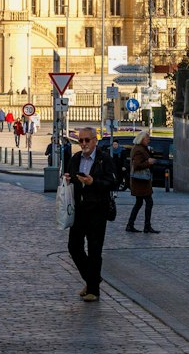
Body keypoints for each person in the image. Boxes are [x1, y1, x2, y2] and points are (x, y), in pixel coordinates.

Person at [63, 125, 117, 301]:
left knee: (94, 250)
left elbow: (113, 182)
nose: (83, 143)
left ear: (95, 140)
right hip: (79, 210)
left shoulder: (104, 159)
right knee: (74, 246)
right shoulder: (75, 158)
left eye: (87, 140)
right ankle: (92, 279)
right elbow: (69, 176)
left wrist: (93, 182)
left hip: (97, 210)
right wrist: (68, 179)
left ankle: (93, 290)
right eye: (81, 140)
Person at [126, 127, 158, 234]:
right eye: (147, 138)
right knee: (148, 202)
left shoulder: (140, 148)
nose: (149, 140)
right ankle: (146, 226)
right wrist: (149, 162)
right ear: (142, 139)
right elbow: (137, 165)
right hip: (140, 182)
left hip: (141, 182)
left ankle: (131, 224)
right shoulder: (139, 150)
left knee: (139, 203)